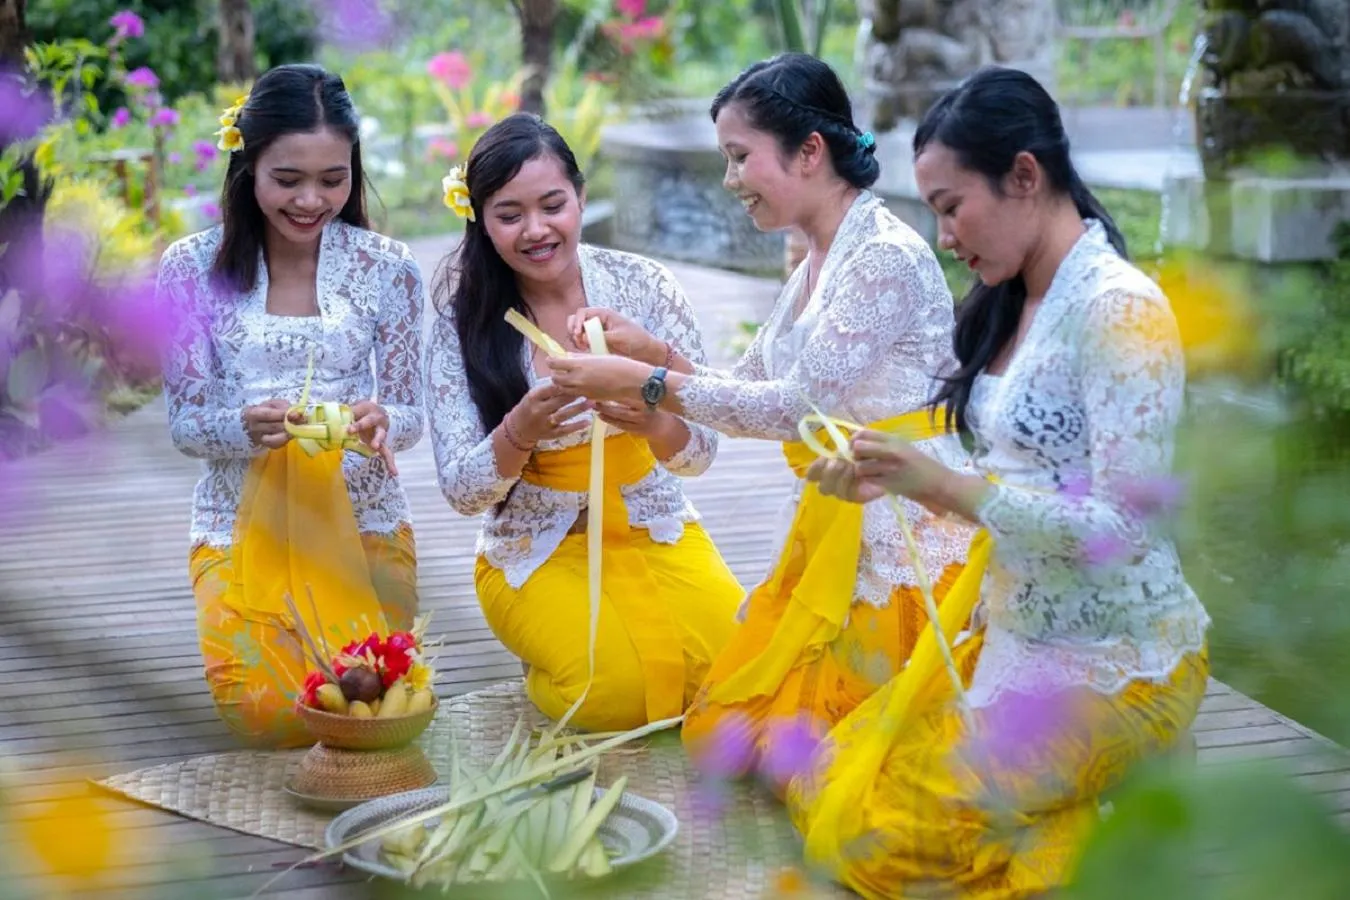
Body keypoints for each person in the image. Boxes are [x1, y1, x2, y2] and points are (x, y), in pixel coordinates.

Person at [785, 66, 1212, 898]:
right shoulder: (1012, 297)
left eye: (951, 205)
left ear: (1024, 176)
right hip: (1016, 632)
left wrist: (942, 490)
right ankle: (1097, 801)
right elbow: (1010, 466)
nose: (944, 234)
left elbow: (1120, 531)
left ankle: (1123, 768)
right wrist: (888, 472)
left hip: (1117, 657)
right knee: (829, 785)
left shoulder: (1122, 311)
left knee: (870, 845)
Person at [544, 53, 973, 785]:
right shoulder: (815, 255)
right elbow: (749, 384)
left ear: (810, 152)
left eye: (740, 157)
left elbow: (790, 408)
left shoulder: (884, 257)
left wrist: (648, 383)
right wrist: (659, 357)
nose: (730, 179)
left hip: (906, 528)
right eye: (726, 159)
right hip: (837, 514)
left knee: (824, 761)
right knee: (729, 739)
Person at [425, 113, 743, 732]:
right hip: (534, 547)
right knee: (606, 695)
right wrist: (522, 427)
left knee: (739, 672)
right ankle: (551, 655)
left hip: (653, 523)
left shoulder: (643, 286)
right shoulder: (462, 323)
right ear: (480, 220)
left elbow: (700, 453)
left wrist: (650, 419)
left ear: (581, 198)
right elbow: (463, 492)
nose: (537, 230)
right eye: (509, 214)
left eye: (553, 205)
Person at [158, 64, 425, 748]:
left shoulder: (386, 268)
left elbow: (410, 412)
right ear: (247, 166)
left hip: (361, 514)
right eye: (288, 179)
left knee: (378, 701)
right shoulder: (189, 270)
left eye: (333, 179)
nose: (311, 200)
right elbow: (186, 425)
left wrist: (381, 419)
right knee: (269, 713)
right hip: (238, 524)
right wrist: (243, 427)